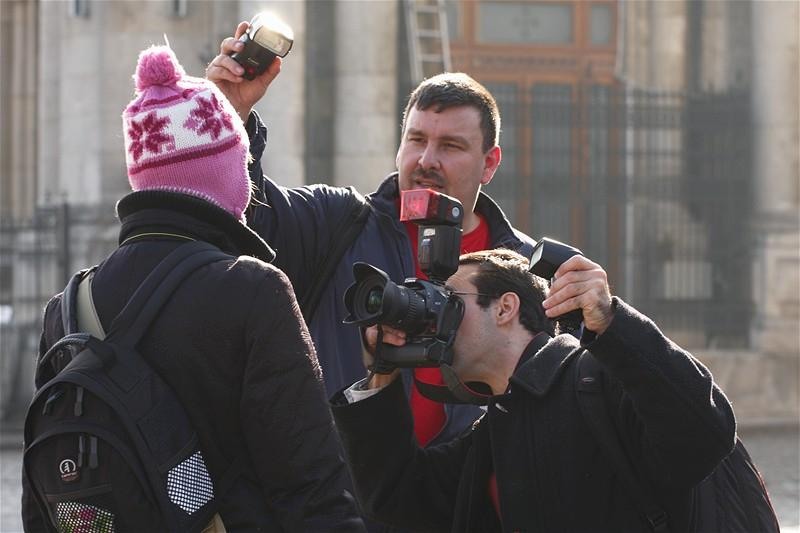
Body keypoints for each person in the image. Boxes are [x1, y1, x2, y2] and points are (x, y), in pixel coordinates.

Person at [23, 45, 363, 532]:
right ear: (228, 174)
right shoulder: (253, 290)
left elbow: (40, 498)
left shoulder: (68, 307)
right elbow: (311, 484)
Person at [206, 22, 537, 447]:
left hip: (468, 486)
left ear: (489, 164)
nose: (426, 160)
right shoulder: (338, 224)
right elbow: (243, 214)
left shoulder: (524, 269)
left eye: (451, 146)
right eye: (416, 139)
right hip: (342, 483)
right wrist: (229, 117)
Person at [329, 249, 737, 532]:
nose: (432, 316)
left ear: (505, 308)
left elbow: (705, 433)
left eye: (448, 298)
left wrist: (613, 322)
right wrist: (382, 371)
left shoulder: (596, 381)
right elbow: (399, 496)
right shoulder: (495, 430)